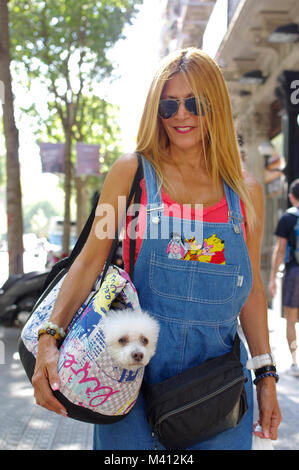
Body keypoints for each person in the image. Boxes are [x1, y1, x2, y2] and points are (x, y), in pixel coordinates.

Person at [32, 48, 281, 450]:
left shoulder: (246, 191)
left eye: (194, 103)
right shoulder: (131, 175)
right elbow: (90, 261)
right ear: (156, 110)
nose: (181, 115)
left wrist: (265, 376)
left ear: (215, 105)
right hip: (128, 382)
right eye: (169, 105)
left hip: (217, 389)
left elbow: (250, 291)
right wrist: (49, 337)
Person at [269, 178, 299, 376]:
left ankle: (295, 362)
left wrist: (272, 278)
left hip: (294, 272)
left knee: (291, 319)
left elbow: (280, 250)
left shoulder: (288, 218)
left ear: (291, 197)